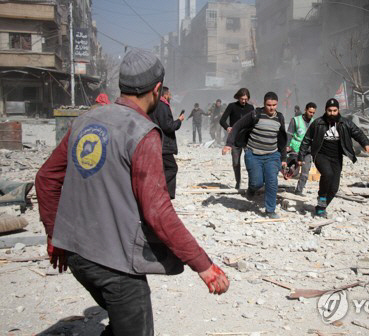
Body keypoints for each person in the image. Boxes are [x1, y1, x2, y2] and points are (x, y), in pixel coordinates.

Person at [35, 49, 229, 336]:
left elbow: (45, 178)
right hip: (113, 264)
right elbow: (158, 212)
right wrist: (203, 264)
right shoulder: (142, 132)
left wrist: (56, 234)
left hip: (77, 255)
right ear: (157, 89)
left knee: (121, 324)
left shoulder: (85, 120)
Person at [298, 98, 369, 218]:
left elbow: (357, 133)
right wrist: (301, 156)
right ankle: (321, 198)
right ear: (325, 110)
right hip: (320, 155)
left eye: (334, 110)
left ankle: (321, 207)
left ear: (338, 110)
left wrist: (366, 144)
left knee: (334, 188)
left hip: (336, 157)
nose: (332, 113)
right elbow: (306, 139)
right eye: (329, 110)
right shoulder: (318, 123)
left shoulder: (345, 123)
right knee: (327, 174)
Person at [222, 92, 287, 219]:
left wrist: (283, 158)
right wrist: (229, 144)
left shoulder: (280, 117)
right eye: (269, 105)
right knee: (257, 183)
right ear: (264, 104)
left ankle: (270, 210)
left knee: (272, 181)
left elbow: (282, 139)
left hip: (272, 155)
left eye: (274, 105)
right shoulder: (255, 114)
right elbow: (237, 126)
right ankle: (251, 190)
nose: (272, 108)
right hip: (253, 154)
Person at [149, 85, 185, 199]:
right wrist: (179, 121)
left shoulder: (153, 105)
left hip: (156, 141)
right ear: (165, 94)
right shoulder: (163, 106)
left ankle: (167, 194)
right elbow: (168, 126)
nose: (171, 96)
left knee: (164, 168)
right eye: (169, 94)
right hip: (164, 143)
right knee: (172, 168)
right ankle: (158, 187)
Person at [220, 88, 254, 189]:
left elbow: (254, 122)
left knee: (250, 163)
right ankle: (238, 182)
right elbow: (222, 120)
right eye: (242, 99)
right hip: (235, 139)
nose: (244, 101)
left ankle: (251, 184)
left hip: (248, 140)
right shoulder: (232, 106)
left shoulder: (251, 108)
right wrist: (227, 127)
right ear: (238, 97)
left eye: (246, 99)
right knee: (235, 163)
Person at [287, 102, 317, 196]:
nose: (311, 114)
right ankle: (289, 169)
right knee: (294, 173)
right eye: (310, 112)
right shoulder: (295, 120)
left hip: (307, 151)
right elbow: (289, 134)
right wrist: (287, 146)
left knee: (305, 171)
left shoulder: (314, 122)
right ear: (305, 110)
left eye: (313, 113)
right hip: (296, 149)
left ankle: (299, 190)